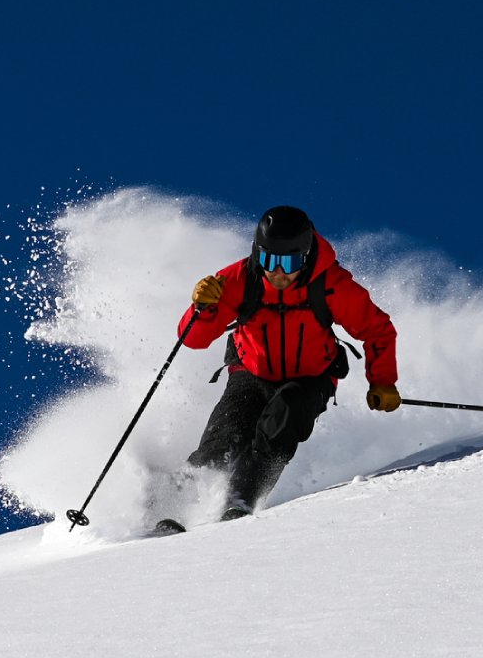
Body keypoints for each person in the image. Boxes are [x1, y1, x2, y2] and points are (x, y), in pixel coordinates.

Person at [160, 206, 399, 531]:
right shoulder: (240, 279)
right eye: (270, 260)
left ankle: (240, 499)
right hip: (249, 373)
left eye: (289, 263)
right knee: (224, 437)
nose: (278, 272)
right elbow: (194, 340)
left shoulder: (330, 283)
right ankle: (170, 507)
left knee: (281, 421)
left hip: (310, 379)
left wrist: (382, 382)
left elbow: (377, 329)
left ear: (306, 255)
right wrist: (202, 308)